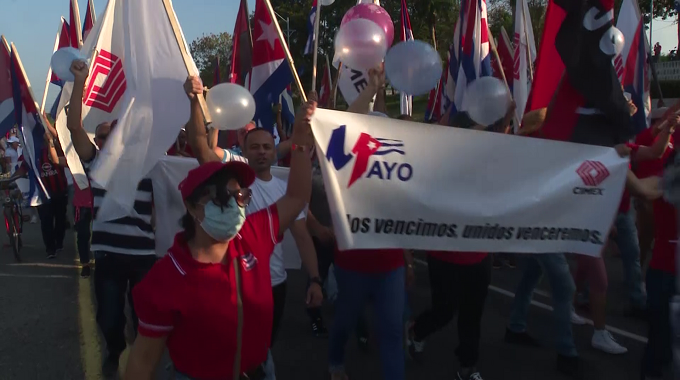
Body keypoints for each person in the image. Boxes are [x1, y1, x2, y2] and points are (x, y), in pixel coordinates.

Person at [124, 77, 316, 380]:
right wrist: (194, 102)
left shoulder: (254, 234)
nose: (234, 204)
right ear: (191, 206)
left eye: (240, 195)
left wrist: (302, 143)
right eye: (221, 197)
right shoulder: (165, 279)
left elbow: (296, 197)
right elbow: (142, 365)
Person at [185, 76, 323, 379]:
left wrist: (315, 279)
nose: (261, 151)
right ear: (243, 151)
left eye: (266, 147)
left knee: (261, 351)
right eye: (254, 147)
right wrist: (195, 101)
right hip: (233, 284)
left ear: (275, 152)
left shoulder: (284, 191)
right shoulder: (232, 174)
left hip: (275, 286)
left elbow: (301, 234)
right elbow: (200, 147)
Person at [68, 60, 157, 377]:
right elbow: (75, 127)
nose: (105, 141)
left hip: (144, 257)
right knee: (108, 316)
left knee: (145, 315)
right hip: (108, 255)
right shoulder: (96, 166)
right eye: (101, 137)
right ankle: (116, 348)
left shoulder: (149, 166)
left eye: (111, 135)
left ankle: (144, 360)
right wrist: (80, 80)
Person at [7, 127, 69, 259]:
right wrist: (10, 179)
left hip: (59, 191)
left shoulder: (57, 148)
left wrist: (49, 133)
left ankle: (59, 243)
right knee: (46, 222)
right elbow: (23, 169)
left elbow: (60, 142)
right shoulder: (31, 153)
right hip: (42, 193)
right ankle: (50, 249)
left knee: (60, 220)